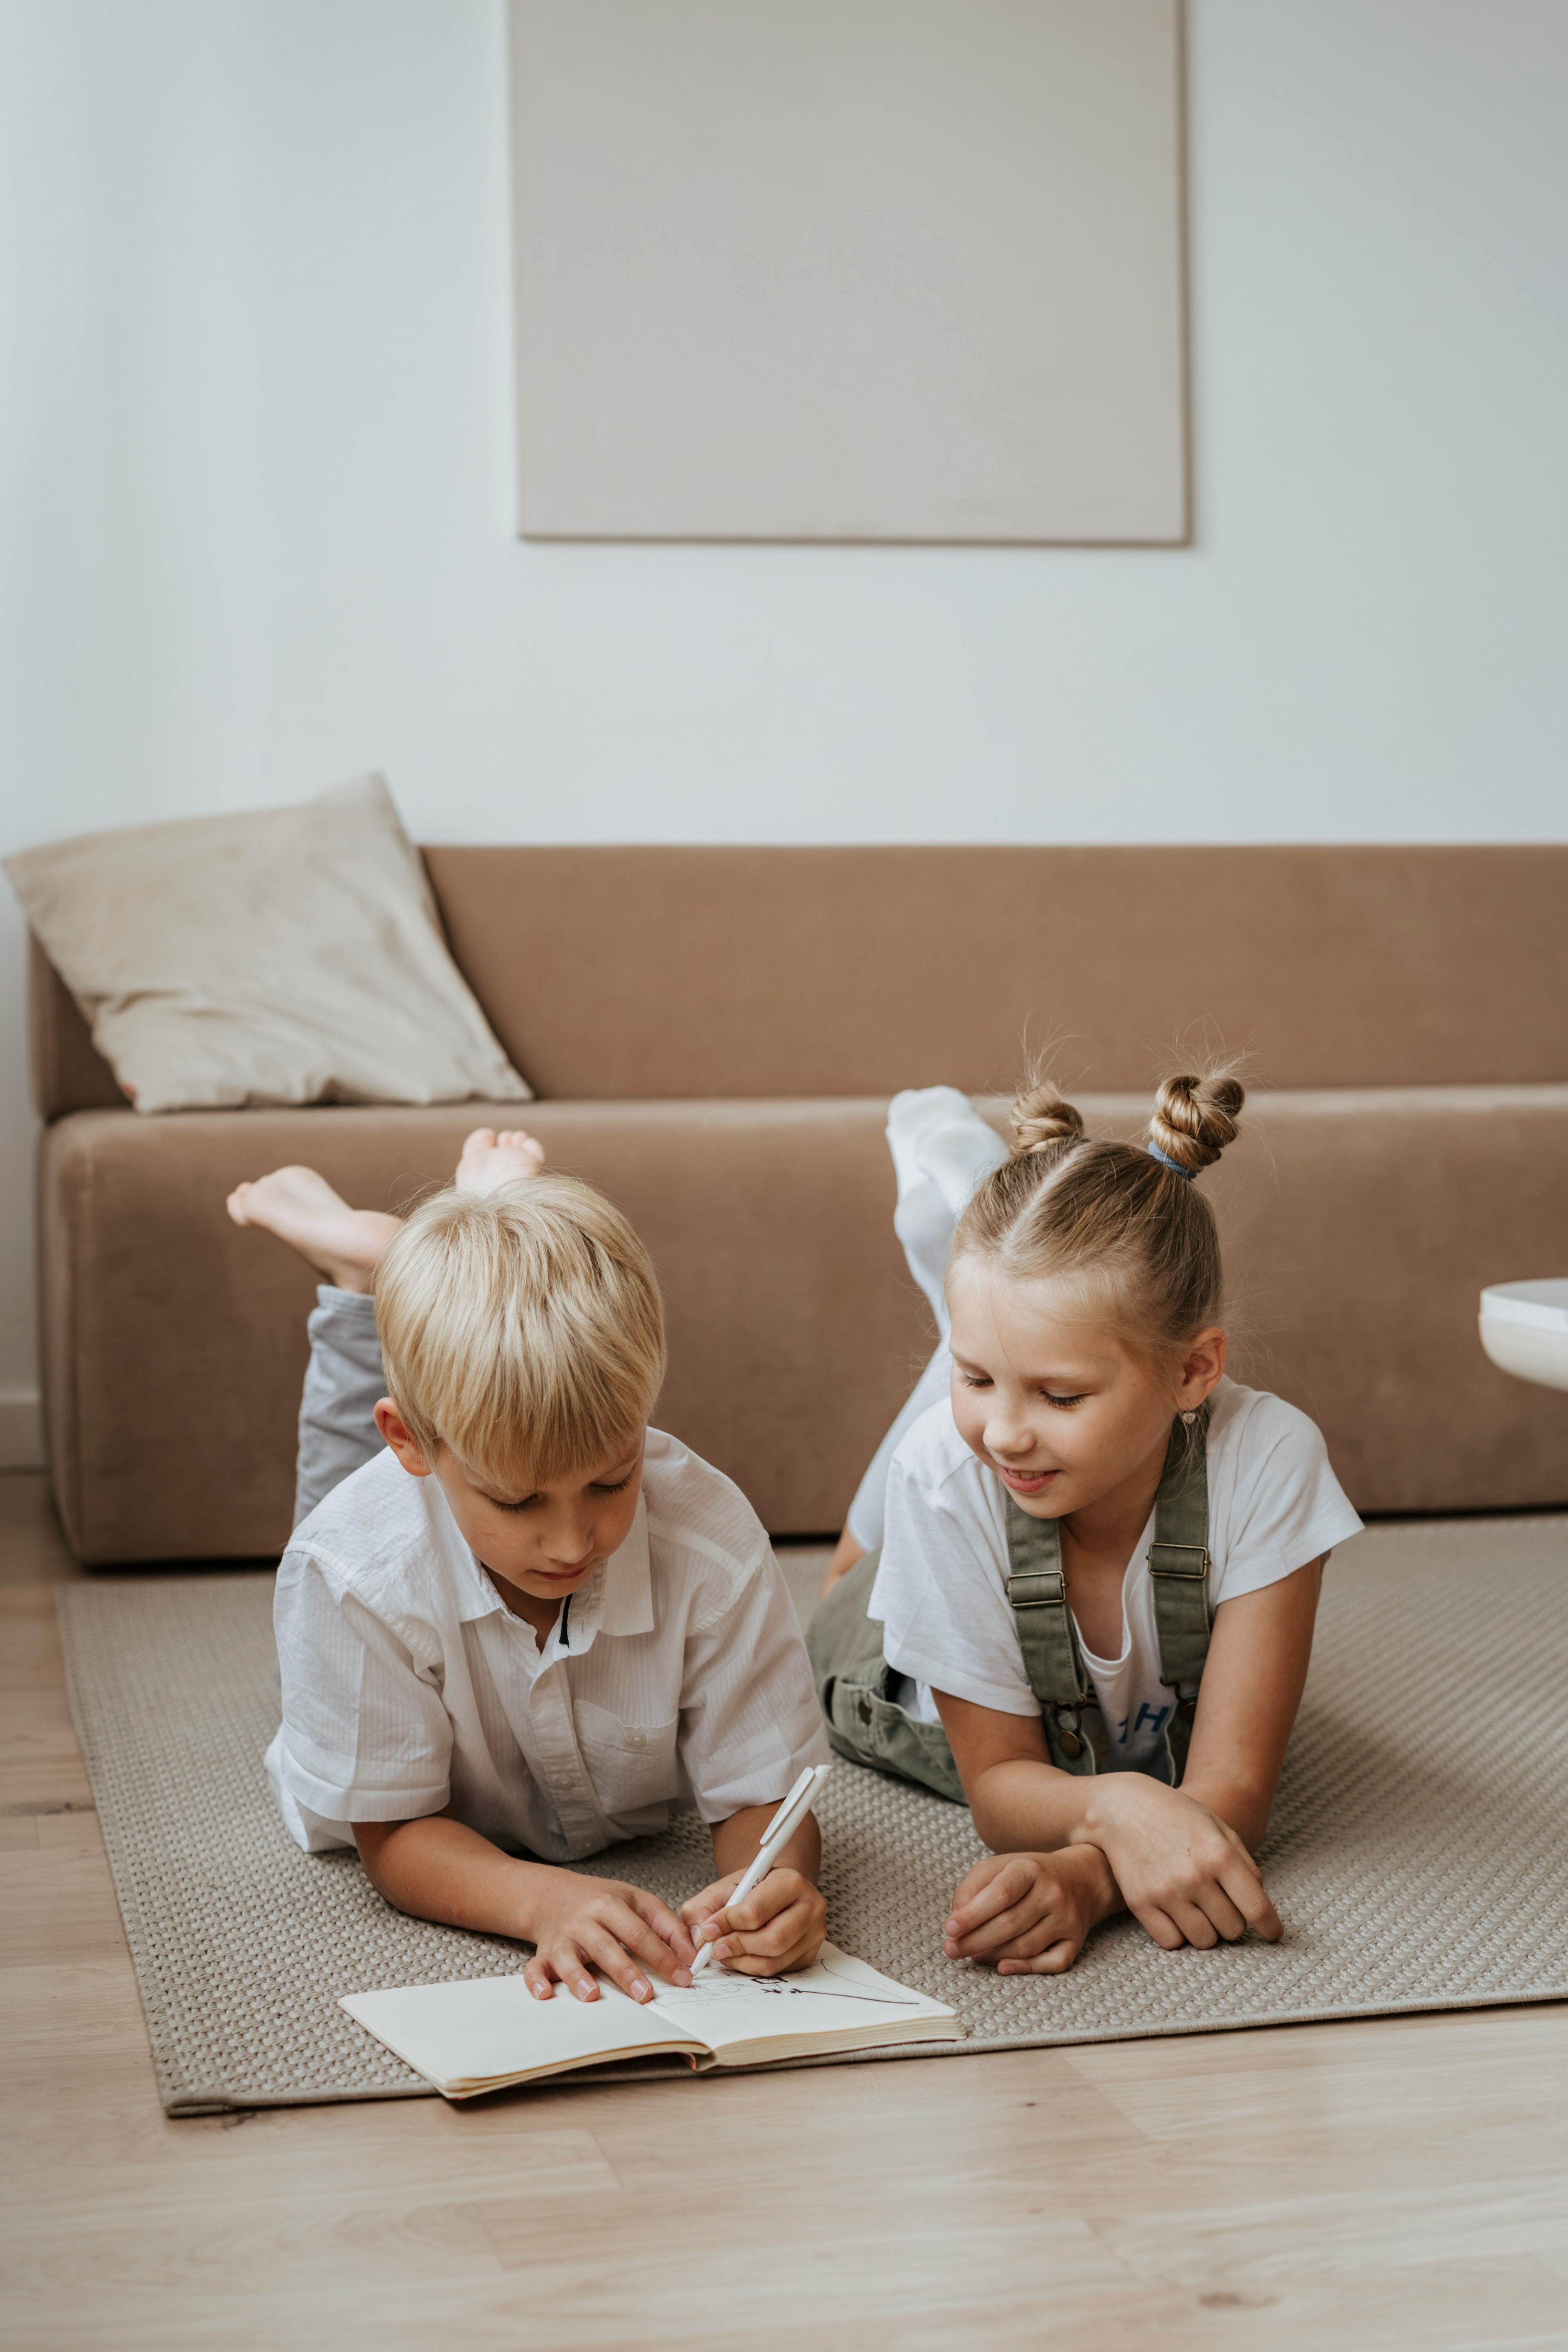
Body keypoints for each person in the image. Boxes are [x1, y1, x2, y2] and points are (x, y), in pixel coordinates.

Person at [227, 1130, 829, 2008]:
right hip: (386, 1530)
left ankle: (460, 1233)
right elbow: (393, 1832)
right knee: (331, 1494)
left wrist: (774, 1886)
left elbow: (767, 1792)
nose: (571, 1542)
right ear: (412, 1442)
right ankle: (363, 1284)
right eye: (518, 1502)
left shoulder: (709, 1538)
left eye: (612, 1480)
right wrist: (540, 1899)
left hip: (445, 1467)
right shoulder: (352, 1568)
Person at [808, 1075, 1363, 1978]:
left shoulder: (1271, 1458)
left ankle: (981, 1310)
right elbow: (998, 1787)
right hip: (880, 1647)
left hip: (996, 1506)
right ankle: (966, 1287)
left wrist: (1087, 1880)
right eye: (977, 1377)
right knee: (891, 1520)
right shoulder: (950, 1473)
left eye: (1061, 1393)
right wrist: (1120, 1814)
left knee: (973, 1435)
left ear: (1194, 1371)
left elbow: (1234, 1787)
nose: (1011, 1428)